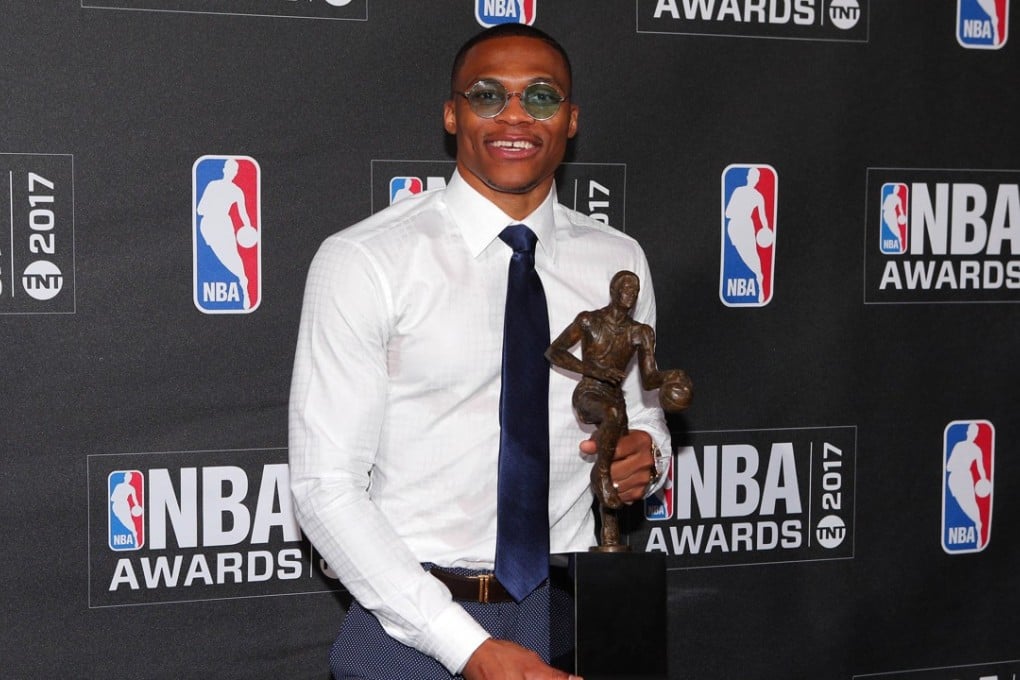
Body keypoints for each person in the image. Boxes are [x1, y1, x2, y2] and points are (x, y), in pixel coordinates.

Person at [289, 23, 670, 680]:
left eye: (541, 96)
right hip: (412, 627)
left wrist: (648, 459)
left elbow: (645, 421)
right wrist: (465, 647)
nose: (515, 115)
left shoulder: (617, 260)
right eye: (488, 95)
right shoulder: (366, 260)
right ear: (452, 114)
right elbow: (325, 488)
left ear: (571, 119)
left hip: (570, 614)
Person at [545, 270, 676, 549]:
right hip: (589, 392)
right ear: (614, 291)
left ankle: (610, 538)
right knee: (612, 421)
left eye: (635, 290)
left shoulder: (640, 333)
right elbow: (554, 352)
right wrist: (591, 369)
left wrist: (671, 377)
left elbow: (649, 379)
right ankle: (600, 474)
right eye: (626, 288)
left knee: (617, 449)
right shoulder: (589, 321)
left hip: (616, 399)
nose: (631, 294)